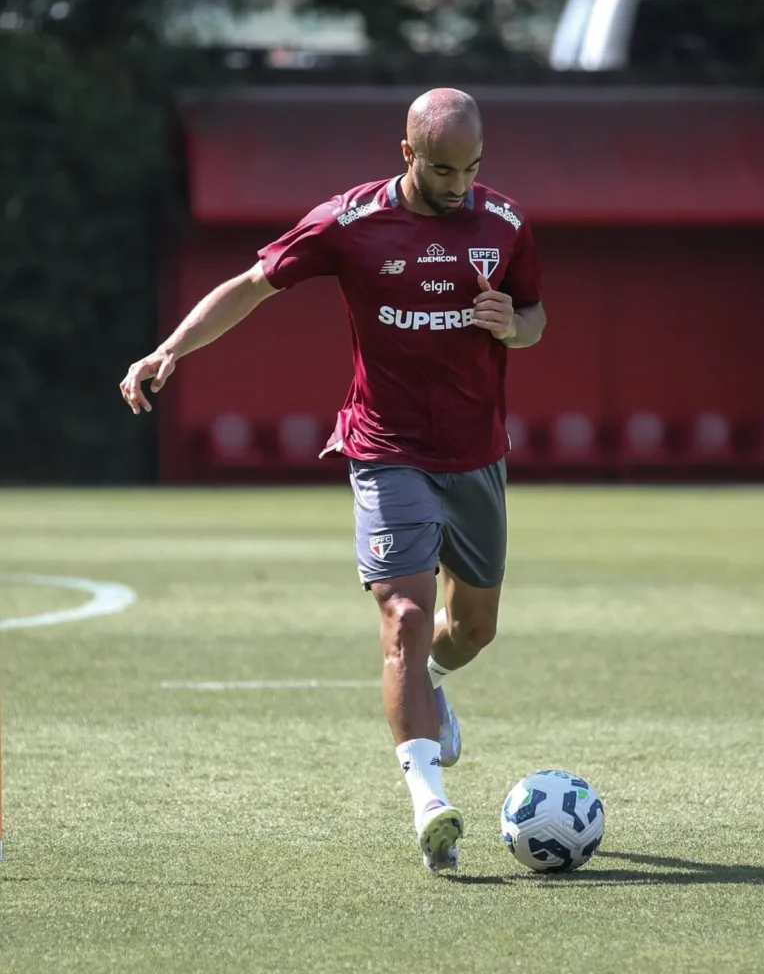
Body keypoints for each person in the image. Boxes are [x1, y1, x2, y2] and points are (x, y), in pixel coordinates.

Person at [120, 87, 546, 874]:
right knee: (405, 616)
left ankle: (432, 686)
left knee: (472, 629)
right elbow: (251, 284)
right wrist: (170, 349)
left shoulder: (505, 223)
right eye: (442, 170)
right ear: (406, 154)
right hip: (384, 448)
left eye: (471, 168)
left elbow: (534, 316)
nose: (459, 185)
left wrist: (510, 327)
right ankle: (429, 805)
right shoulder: (349, 222)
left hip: (475, 454)